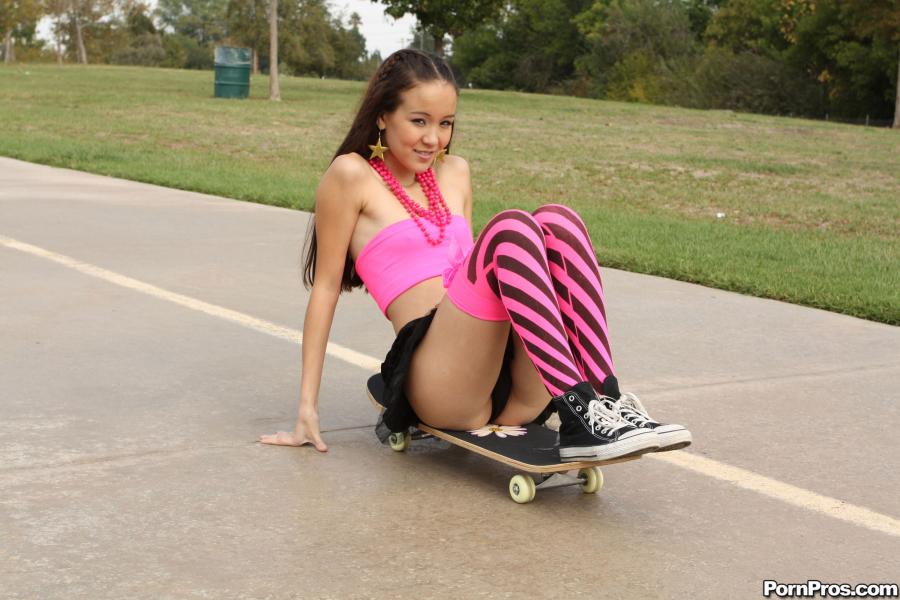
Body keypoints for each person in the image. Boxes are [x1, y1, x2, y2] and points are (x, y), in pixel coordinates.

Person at [259, 49, 692, 460]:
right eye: (418, 121)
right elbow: (326, 289)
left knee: (558, 222)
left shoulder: (455, 172)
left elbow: (470, 275)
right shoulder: (351, 175)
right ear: (382, 115)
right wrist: (306, 409)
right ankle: (581, 411)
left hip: (509, 382)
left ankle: (605, 400)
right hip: (443, 382)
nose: (433, 138)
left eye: (446, 123)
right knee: (511, 228)